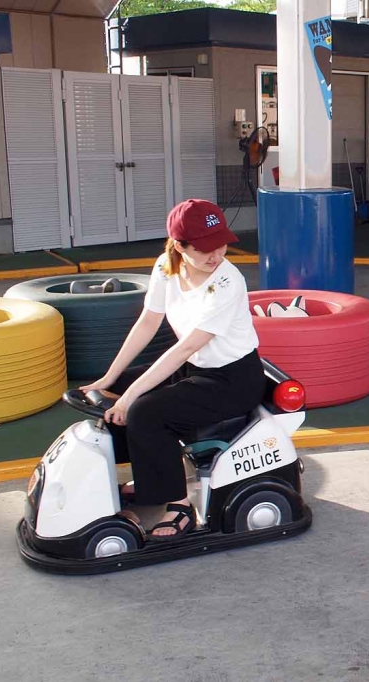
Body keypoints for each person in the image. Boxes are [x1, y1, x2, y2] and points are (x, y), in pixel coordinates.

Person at [81, 199, 264, 540]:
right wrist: (110, 379)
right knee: (117, 391)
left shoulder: (227, 281)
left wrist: (131, 397)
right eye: (206, 247)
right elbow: (148, 321)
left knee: (146, 410)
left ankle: (181, 509)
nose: (217, 254)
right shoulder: (167, 265)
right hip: (196, 368)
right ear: (179, 245)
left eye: (222, 243)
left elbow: (186, 347)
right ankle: (153, 477)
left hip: (233, 378)